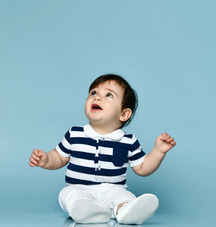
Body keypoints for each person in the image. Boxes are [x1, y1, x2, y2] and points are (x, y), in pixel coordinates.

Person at [29, 74, 176, 225]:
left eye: (108, 95)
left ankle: (126, 211)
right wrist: (46, 160)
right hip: (80, 188)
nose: (97, 97)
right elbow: (59, 157)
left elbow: (143, 168)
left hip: (113, 190)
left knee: (125, 196)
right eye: (93, 93)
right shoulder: (75, 133)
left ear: (124, 114)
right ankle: (87, 211)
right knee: (67, 194)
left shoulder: (128, 140)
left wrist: (158, 152)